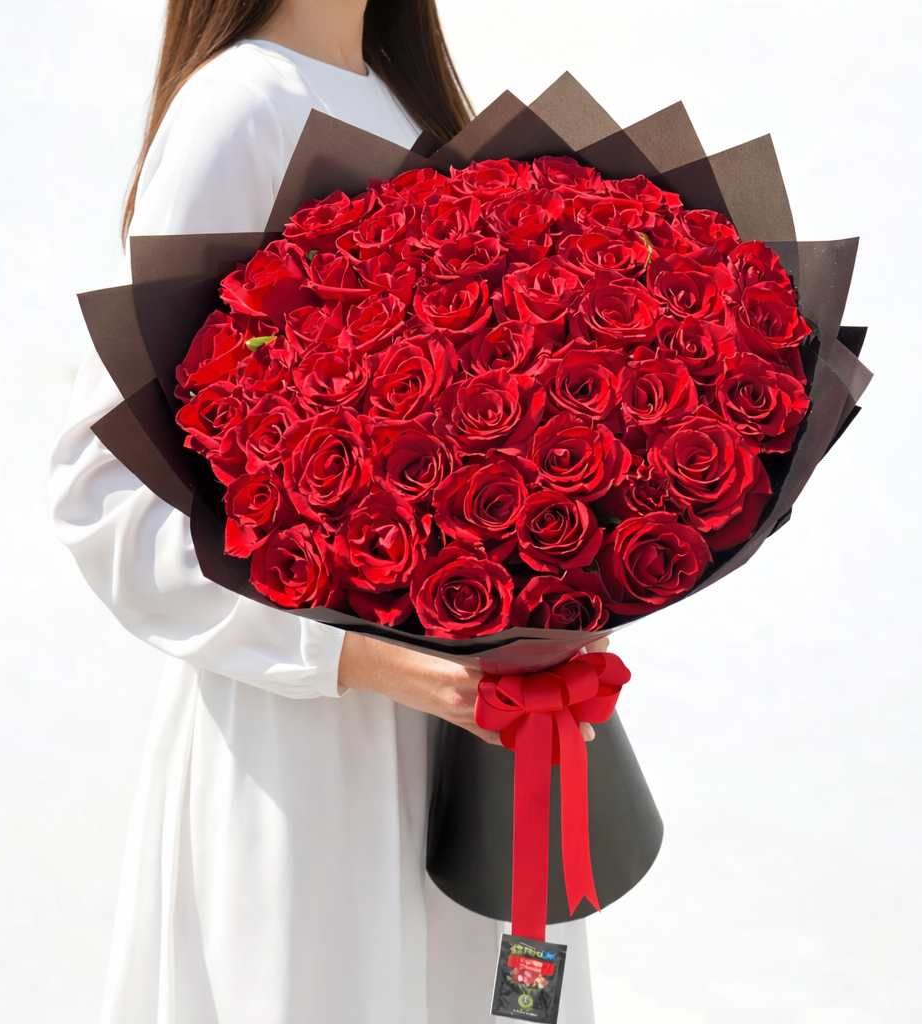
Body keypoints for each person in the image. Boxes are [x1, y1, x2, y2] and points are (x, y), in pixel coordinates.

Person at [48, 1, 598, 1021]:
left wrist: (572, 589)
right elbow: (102, 491)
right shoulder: (238, 108)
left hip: (467, 746)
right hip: (308, 752)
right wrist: (359, 660)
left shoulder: (413, 105)